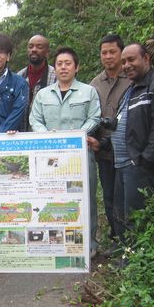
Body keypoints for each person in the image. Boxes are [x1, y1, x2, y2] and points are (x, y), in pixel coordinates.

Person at [29, 47, 101, 256]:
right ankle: (57, 241)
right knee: (53, 197)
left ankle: (89, 243)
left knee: (85, 197)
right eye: (59, 64)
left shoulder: (88, 92)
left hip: (80, 154)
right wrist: (47, 136)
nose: (63, 67)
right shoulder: (43, 94)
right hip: (50, 156)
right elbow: (35, 119)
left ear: (77, 67)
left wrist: (77, 135)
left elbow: (94, 117)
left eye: (68, 63)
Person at [112, 42, 154, 243]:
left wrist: (143, 161)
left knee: (136, 219)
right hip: (122, 163)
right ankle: (124, 253)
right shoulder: (132, 89)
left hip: (137, 165)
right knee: (120, 214)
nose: (126, 65)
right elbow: (124, 124)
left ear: (146, 58)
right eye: (123, 62)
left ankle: (135, 257)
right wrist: (103, 143)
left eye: (131, 60)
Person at [88, 35, 131, 241]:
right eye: (104, 52)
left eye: (112, 52)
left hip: (128, 150)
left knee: (126, 197)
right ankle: (115, 236)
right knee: (109, 195)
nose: (108, 56)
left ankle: (129, 239)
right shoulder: (95, 83)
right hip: (103, 150)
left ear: (121, 53)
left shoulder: (131, 79)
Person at [18, 34, 56, 130]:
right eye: (30, 46)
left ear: (47, 52)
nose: (34, 50)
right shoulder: (19, 76)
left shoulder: (56, 76)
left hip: (47, 133)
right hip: (22, 134)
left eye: (39, 47)